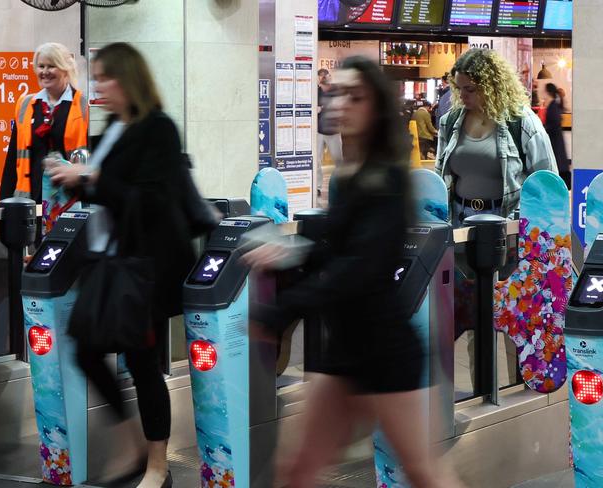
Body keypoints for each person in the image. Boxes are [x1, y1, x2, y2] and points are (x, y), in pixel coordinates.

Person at [243, 56, 464, 488]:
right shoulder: (346, 176)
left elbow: (361, 268)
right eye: (336, 92)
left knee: (424, 473)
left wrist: (281, 309)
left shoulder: (386, 179)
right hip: (346, 348)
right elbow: (338, 252)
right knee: (296, 470)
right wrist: (291, 252)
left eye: (355, 95)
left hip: (384, 350)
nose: (342, 102)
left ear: (376, 108)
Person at [49, 42, 195, 488]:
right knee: (88, 351)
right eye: (96, 76)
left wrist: (90, 177)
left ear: (129, 79)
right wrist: (74, 177)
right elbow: (110, 192)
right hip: (112, 262)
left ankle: (157, 465)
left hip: (147, 267)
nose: (99, 85)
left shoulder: (159, 129)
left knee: (143, 361)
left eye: (106, 76)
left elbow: (149, 200)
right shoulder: (113, 126)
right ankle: (136, 447)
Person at [435, 49, 557, 227]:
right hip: (458, 220)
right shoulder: (450, 122)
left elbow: (547, 181)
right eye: (458, 88)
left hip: (507, 221)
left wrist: (529, 227)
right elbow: (440, 176)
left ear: (491, 85)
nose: (462, 95)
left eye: (470, 89)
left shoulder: (522, 121)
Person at [0, 42, 88, 229]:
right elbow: (13, 158)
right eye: (41, 66)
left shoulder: (81, 104)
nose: (45, 72)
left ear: (64, 69)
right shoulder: (25, 104)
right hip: (30, 199)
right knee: (31, 256)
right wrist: (5, 204)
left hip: (67, 200)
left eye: (51, 66)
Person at [317, 68, 343, 196]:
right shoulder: (316, 92)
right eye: (321, 77)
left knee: (338, 159)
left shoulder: (336, 91)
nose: (323, 79)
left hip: (334, 130)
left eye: (325, 77)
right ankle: (317, 186)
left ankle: (342, 184)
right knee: (317, 160)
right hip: (319, 131)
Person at [544, 83, 570, 189]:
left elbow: (554, 122)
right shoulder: (554, 104)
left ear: (548, 92)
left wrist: (544, 129)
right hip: (556, 139)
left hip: (555, 140)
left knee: (558, 163)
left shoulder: (553, 105)